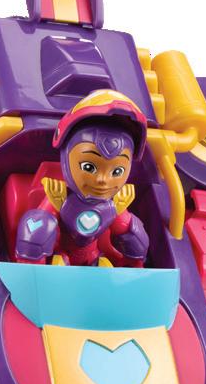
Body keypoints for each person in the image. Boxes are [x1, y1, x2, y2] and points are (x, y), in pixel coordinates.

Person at [15, 90, 150, 266]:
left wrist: (135, 265)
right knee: (39, 226)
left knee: (135, 234)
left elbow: (133, 241)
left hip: (94, 261)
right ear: (66, 157)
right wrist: (31, 263)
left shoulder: (115, 205)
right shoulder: (59, 197)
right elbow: (36, 229)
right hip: (59, 259)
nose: (103, 179)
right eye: (89, 167)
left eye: (116, 171)